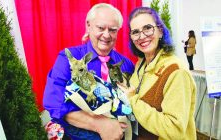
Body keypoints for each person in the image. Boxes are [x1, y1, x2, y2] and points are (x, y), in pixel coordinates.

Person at [43, 3, 135, 140]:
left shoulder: (126, 64)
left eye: (113, 30)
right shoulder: (68, 59)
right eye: (101, 28)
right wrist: (99, 124)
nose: (106, 35)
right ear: (88, 25)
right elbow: (53, 102)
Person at [118, 7, 197, 140]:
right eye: (135, 32)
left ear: (160, 31)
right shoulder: (141, 64)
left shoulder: (176, 71)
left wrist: (133, 100)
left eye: (148, 28)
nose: (142, 36)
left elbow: (174, 130)